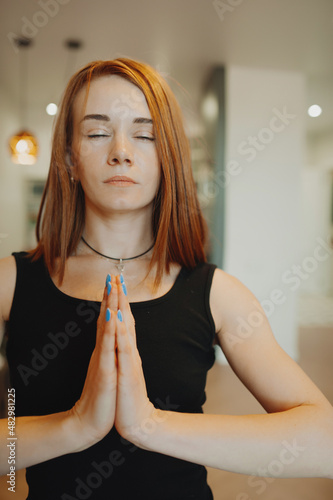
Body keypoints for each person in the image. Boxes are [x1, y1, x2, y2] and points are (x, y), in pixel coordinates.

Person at [0, 58, 332, 500]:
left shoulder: (217, 294)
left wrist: (149, 425)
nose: (121, 150)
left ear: (167, 157)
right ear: (69, 160)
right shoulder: (10, 283)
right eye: (98, 132)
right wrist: (76, 426)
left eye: (145, 134)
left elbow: (324, 442)